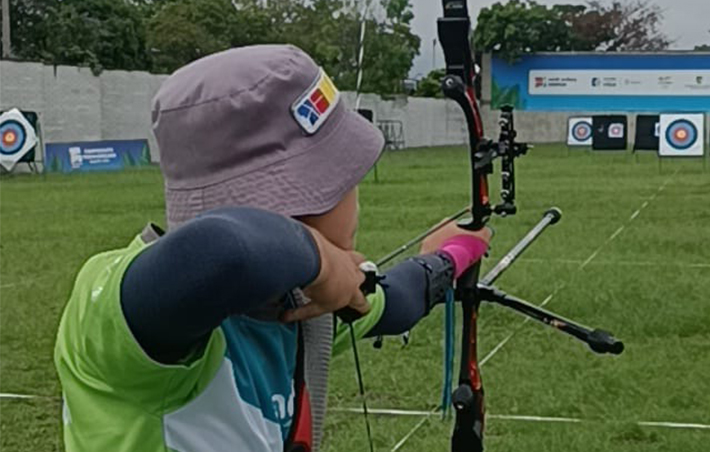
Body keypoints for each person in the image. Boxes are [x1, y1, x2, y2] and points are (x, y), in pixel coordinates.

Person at [54, 44, 490, 452]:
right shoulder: (118, 304)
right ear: (288, 205)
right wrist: (321, 262)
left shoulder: (298, 302)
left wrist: (450, 255)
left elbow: (395, 299)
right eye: (339, 179)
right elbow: (229, 250)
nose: (353, 196)